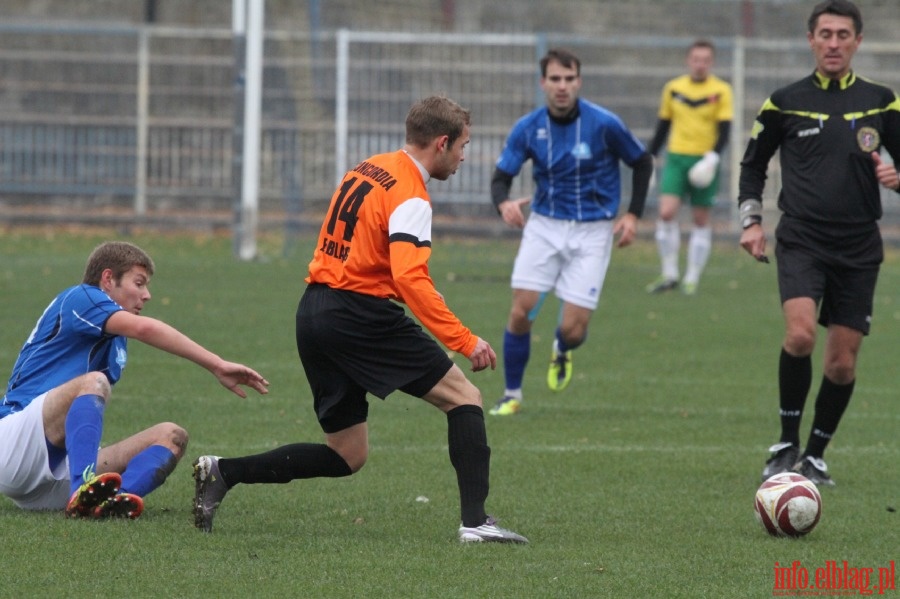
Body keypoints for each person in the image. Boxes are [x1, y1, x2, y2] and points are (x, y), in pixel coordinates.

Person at [192, 95, 528, 544]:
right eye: (463, 146)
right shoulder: (411, 194)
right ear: (442, 143)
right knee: (464, 397)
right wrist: (464, 340)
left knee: (347, 454)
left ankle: (222, 472)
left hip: (314, 310)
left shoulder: (368, 167)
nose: (465, 156)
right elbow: (410, 278)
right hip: (358, 313)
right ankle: (476, 523)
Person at [739, 0, 900, 487]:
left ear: (857, 41)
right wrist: (751, 220)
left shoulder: (881, 100)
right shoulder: (784, 100)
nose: (833, 43)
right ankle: (785, 444)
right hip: (803, 237)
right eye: (825, 34)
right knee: (801, 335)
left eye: (842, 35)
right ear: (811, 39)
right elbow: (752, 164)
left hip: (859, 245)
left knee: (842, 360)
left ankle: (815, 455)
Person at [0, 241, 269, 519]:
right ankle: (84, 489)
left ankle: (107, 502)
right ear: (107, 279)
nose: (147, 295)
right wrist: (217, 365)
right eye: (138, 283)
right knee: (92, 382)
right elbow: (146, 329)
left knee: (172, 436)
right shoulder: (82, 297)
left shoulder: (116, 339)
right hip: (13, 446)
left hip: (52, 477)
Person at [488, 48, 653, 416]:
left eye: (569, 79)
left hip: (594, 232)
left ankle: (561, 349)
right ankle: (512, 394)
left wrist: (633, 215)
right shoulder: (528, 128)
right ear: (543, 82)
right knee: (521, 312)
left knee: (574, 331)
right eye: (555, 79)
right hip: (544, 226)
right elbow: (502, 177)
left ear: (578, 81)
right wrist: (504, 204)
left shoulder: (604, 124)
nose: (562, 87)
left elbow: (641, 161)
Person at [646, 39, 733, 296]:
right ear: (688, 60)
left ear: (712, 62)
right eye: (696, 60)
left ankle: (692, 277)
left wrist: (713, 157)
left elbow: (725, 130)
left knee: (700, 219)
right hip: (676, 158)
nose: (700, 65)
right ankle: (670, 273)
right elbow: (663, 126)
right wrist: (649, 156)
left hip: (704, 160)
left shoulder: (721, 90)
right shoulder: (673, 88)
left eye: (705, 60)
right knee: (666, 212)